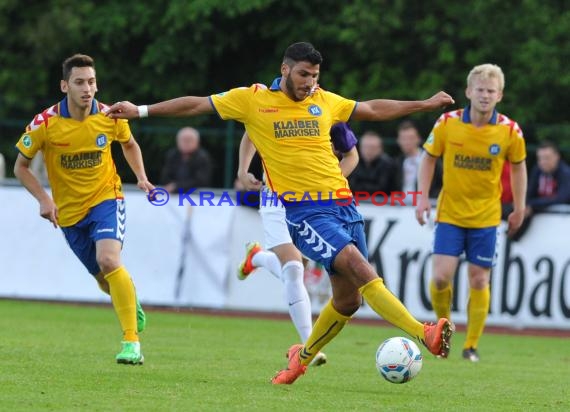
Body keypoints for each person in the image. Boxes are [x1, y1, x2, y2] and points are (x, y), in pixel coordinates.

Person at [107, 41, 455, 384]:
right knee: (360, 268)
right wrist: (140, 111)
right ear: (285, 69)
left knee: (348, 301)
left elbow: (374, 110)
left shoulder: (324, 100)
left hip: (344, 206)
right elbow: (198, 105)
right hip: (306, 213)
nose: (309, 82)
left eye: (315, 75)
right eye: (303, 74)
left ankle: (299, 360)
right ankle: (423, 332)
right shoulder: (254, 99)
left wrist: (424, 104)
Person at [14, 54, 153, 365]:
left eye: (91, 82)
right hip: (68, 213)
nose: (86, 88)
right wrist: (44, 199)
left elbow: (129, 144)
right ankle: (129, 297)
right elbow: (20, 167)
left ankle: (132, 342)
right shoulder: (44, 123)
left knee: (108, 259)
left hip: (106, 199)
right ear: (65, 86)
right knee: (104, 278)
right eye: (79, 82)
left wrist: (141, 177)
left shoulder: (111, 116)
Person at [416, 63, 527, 362]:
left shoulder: (509, 130)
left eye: (491, 91)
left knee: (479, 280)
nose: (485, 95)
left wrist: (518, 207)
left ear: (500, 95)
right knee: (440, 277)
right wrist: (422, 198)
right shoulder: (447, 122)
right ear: (468, 91)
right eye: (480, 89)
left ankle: (471, 346)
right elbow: (427, 159)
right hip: (450, 214)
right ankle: (444, 332)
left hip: (486, 218)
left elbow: (518, 167)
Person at [236, 122, 359, 368]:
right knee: (294, 268)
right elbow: (252, 130)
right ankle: (309, 345)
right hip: (275, 199)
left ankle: (257, 257)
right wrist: (242, 170)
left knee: (298, 265)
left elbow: (352, 155)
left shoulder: (327, 107)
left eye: (313, 79)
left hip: (315, 202)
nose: (309, 83)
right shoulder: (272, 103)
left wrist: (330, 184)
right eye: (305, 79)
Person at [394, 120, 442, 201]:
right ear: (398, 140)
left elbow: (441, 184)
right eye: (403, 138)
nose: (407, 142)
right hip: (400, 207)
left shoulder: (431, 160)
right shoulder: (396, 162)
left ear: (418, 139)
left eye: (410, 138)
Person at [161, 126, 212, 193]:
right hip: (172, 196)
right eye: (183, 140)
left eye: (189, 140)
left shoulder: (202, 157)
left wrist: (177, 186)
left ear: (197, 142)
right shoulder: (172, 155)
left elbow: (201, 181)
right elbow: (165, 177)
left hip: (198, 196)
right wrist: (171, 186)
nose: (186, 143)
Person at [526, 140, 570, 213]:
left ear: (557, 156)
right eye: (540, 158)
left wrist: (533, 204)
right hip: (540, 213)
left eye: (547, 158)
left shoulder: (565, 173)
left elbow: (562, 198)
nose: (543, 162)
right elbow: (529, 195)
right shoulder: (537, 171)